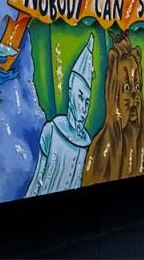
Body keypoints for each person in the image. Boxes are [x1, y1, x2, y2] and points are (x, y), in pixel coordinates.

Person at [26, 35, 94, 195]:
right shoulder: (52, 130)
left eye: (87, 101)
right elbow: (38, 178)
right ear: (70, 94)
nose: (83, 107)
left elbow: (77, 181)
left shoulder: (84, 143)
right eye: (80, 97)